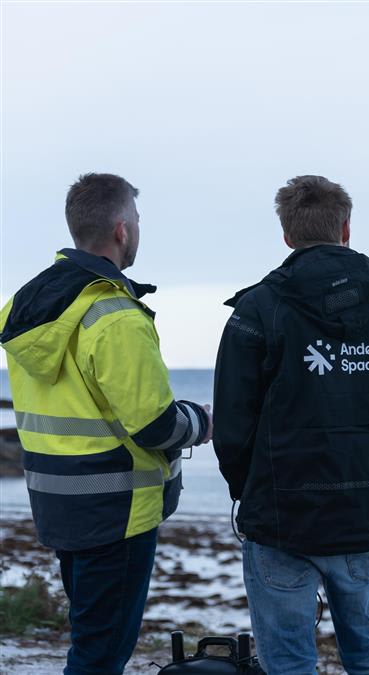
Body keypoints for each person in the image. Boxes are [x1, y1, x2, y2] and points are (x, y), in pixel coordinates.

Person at [0, 172, 212, 674]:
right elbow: (155, 425)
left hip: (58, 504)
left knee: (90, 640)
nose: (138, 228)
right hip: (116, 512)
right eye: (137, 219)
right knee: (102, 655)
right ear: (122, 229)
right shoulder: (115, 315)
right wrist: (201, 422)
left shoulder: (28, 305)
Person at [213, 175, 369, 674]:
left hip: (282, 512)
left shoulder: (259, 308)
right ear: (346, 228)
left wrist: (250, 491)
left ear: (286, 235)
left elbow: (232, 424)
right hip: (361, 508)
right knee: (368, 654)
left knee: (289, 662)